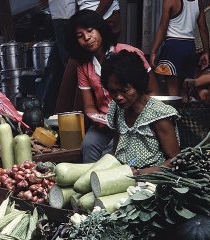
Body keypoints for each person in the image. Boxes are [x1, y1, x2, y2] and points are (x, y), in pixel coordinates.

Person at [66, 9, 159, 162]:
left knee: (109, 155)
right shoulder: (84, 66)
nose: (87, 38)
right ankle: (90, 183)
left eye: (90, 31)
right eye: (79, 36)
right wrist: (99, 120)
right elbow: (89, 106)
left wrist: (137, 117)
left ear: (100, 29)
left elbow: (154, 91)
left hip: (134, 121)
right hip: (104, 124)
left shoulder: (129, 52)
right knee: (88, 145)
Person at [101, 50, 180, 173]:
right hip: (122, 176)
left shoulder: (158, 114)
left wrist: (141, 173)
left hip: (150, 181)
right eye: (113, 91)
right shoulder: (117, 109)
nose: (118, 97)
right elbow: (116, 150)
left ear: (138, 85)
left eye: (125, 90)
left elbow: (175, 161)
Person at [55, 0, 121, 116]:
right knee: (80, 68)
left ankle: (73, 119)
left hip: (103, 19)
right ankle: (68, 120)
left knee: (82, 66)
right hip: (85, 22)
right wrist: (77, 24)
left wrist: (91, 23)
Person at [150, 0, 209, 96]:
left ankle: (174, 110)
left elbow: (163, 27)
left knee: (173, 91)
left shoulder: (170, 1)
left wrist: (153, 51)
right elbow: (203, 30)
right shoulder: (198, 2)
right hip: (190, 48)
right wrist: (206, 52)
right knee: (185, 91)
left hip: (173, 48)